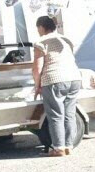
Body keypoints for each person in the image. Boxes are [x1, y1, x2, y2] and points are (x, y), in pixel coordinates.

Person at [32, 16, 82, 157]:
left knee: (55, 114)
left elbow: (37, 68)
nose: (38, 32)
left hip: (54, 79)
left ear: (41, 27)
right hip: (74, 78)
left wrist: (37, 85)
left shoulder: (41, 42)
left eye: (38, 29)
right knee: (69, 113)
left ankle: (58, 148)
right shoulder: (66, 40)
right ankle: (68, 146)